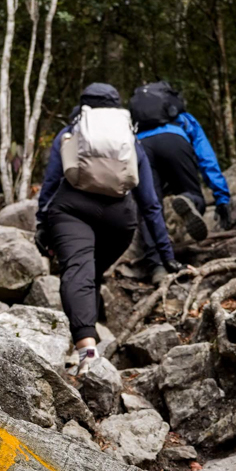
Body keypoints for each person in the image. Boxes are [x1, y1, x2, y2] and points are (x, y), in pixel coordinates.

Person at [35, 83, 184, 370]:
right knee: (90, 270)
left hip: (71, 209)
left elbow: (52, 182)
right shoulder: (128, 138)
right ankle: (94, 313)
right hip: (119, 219)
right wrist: (167, 256)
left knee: (78, 270)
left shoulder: (71, 133)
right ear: (117, 106)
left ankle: (87, 352)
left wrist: (43, 222)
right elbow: (150, 203)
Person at [128, 82, 232, 282]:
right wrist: (221, 196)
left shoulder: (137, 124)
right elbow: (205, 156)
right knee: (191, 192)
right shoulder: (182, 118)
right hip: (174, 142)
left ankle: (157, 267)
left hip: (141, 147)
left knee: (151, 208)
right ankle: (190, 200)